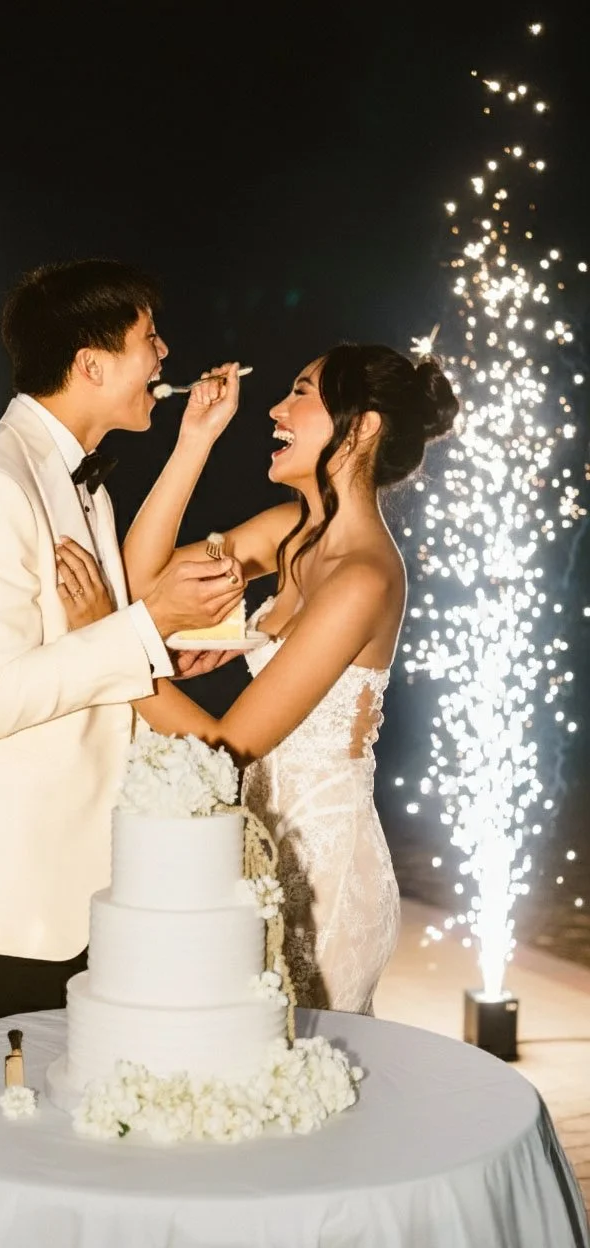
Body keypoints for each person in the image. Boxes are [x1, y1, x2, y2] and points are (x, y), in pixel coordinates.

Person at [0, 259, 244, 1030]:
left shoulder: (88, 486)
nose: (164, 357)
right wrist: (146, 627)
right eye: (149, 340)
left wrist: (150, 636)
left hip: (78, 886)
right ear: (91, 364)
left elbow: (97, 649)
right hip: (14, 896)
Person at [61, 344, 457, 1013]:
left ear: (359, 428)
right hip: (264, 853)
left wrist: (112, 646)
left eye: (301, 391)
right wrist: (194, 439)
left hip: (326, 878)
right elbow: (141, 579)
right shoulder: (295, 536)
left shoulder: (362, 576)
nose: (275, 408)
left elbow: (224, 747)